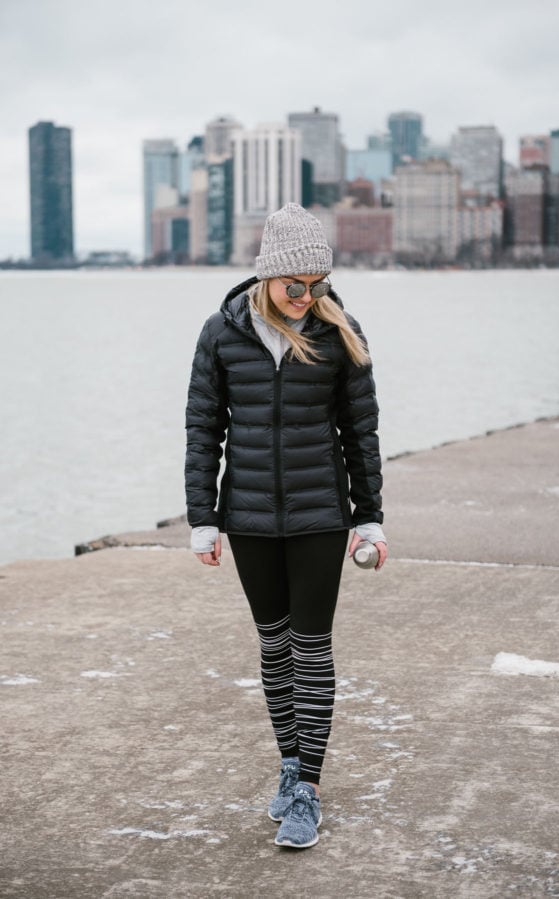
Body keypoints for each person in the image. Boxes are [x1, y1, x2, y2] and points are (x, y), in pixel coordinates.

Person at [185, 203, 387, 849]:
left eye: (316, 284)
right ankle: (290, 761)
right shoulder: (221, 332)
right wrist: (202, 519)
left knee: (311, 646)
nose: (305, 297)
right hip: (247, 519)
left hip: (320, 517)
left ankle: (309, 788)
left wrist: (371, 518)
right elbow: (203, 430)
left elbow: (361, 434)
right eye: (293, 285)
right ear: (267, 277)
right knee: (273, 645)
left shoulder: (339, 333)